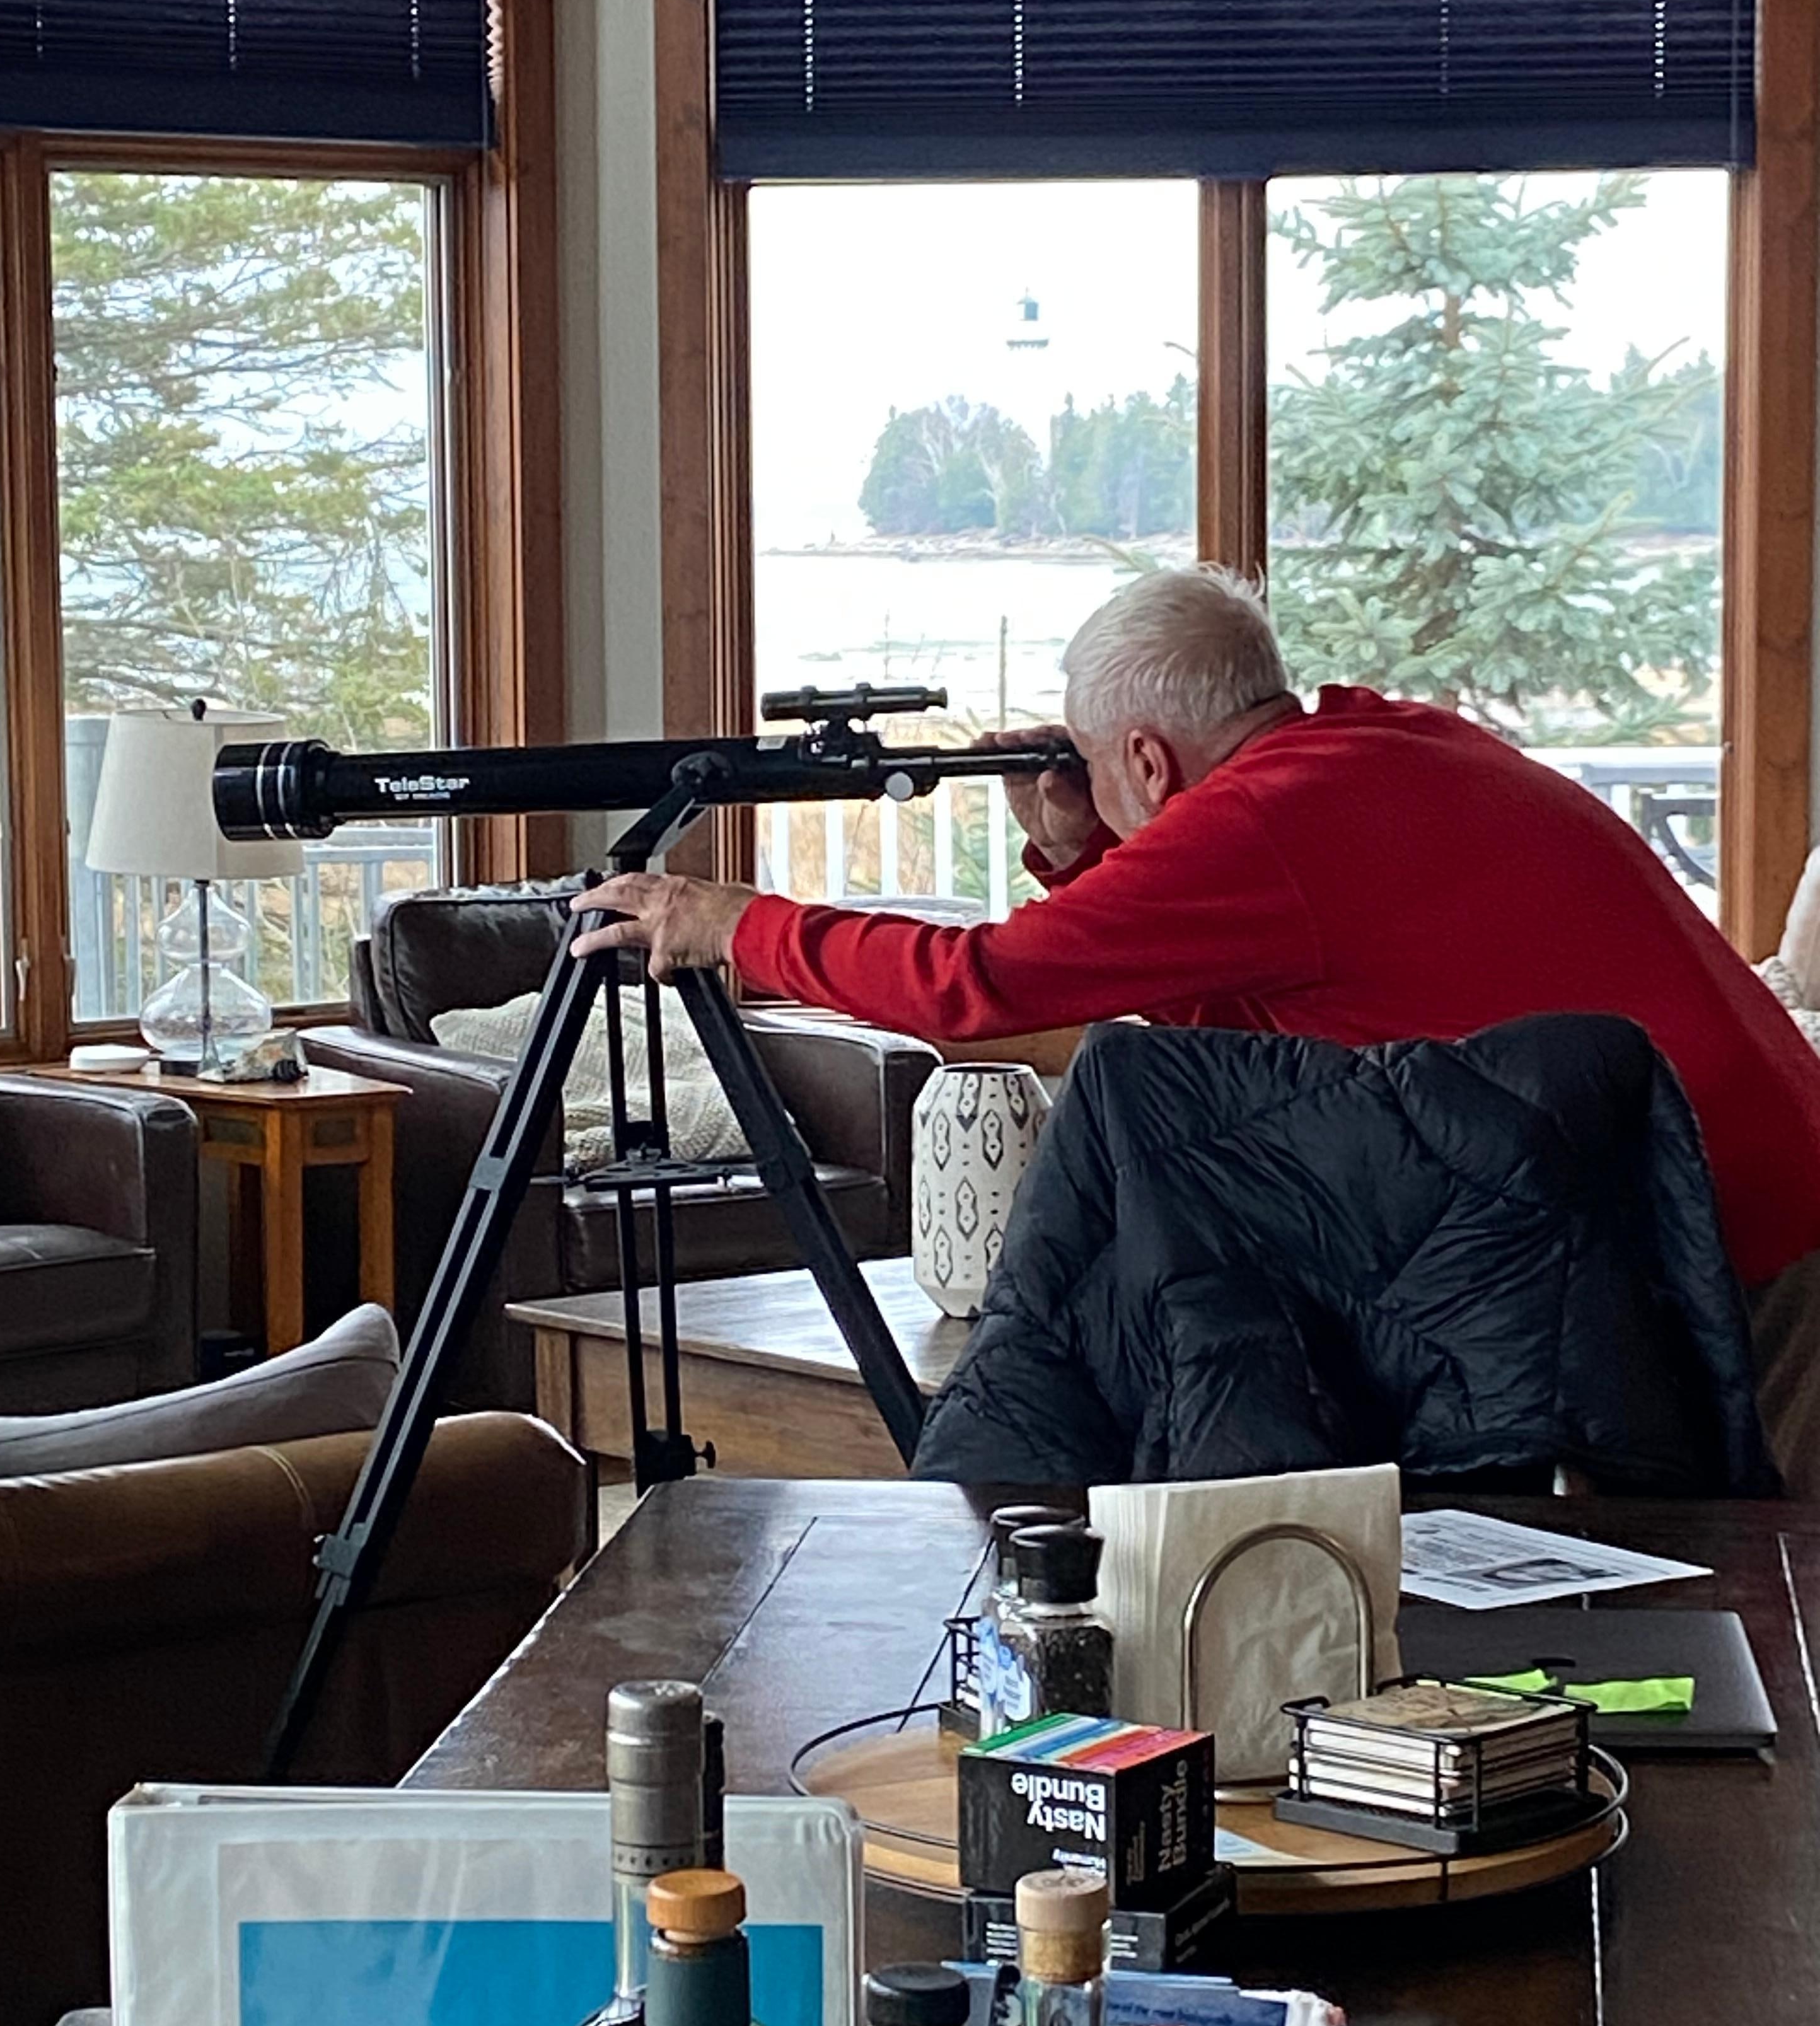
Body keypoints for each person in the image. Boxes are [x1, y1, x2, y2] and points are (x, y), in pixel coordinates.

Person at [574, 565, 1820, 1489]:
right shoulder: (1374, 743)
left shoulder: (1273, 824)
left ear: (1152, 763)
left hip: (1733, 1230)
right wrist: (1079, 853)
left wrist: (735, 923)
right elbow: (1225, 1032)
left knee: (1768, 1605)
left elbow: (977, 986)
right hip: (1745, 1176)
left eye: (1094, 766)